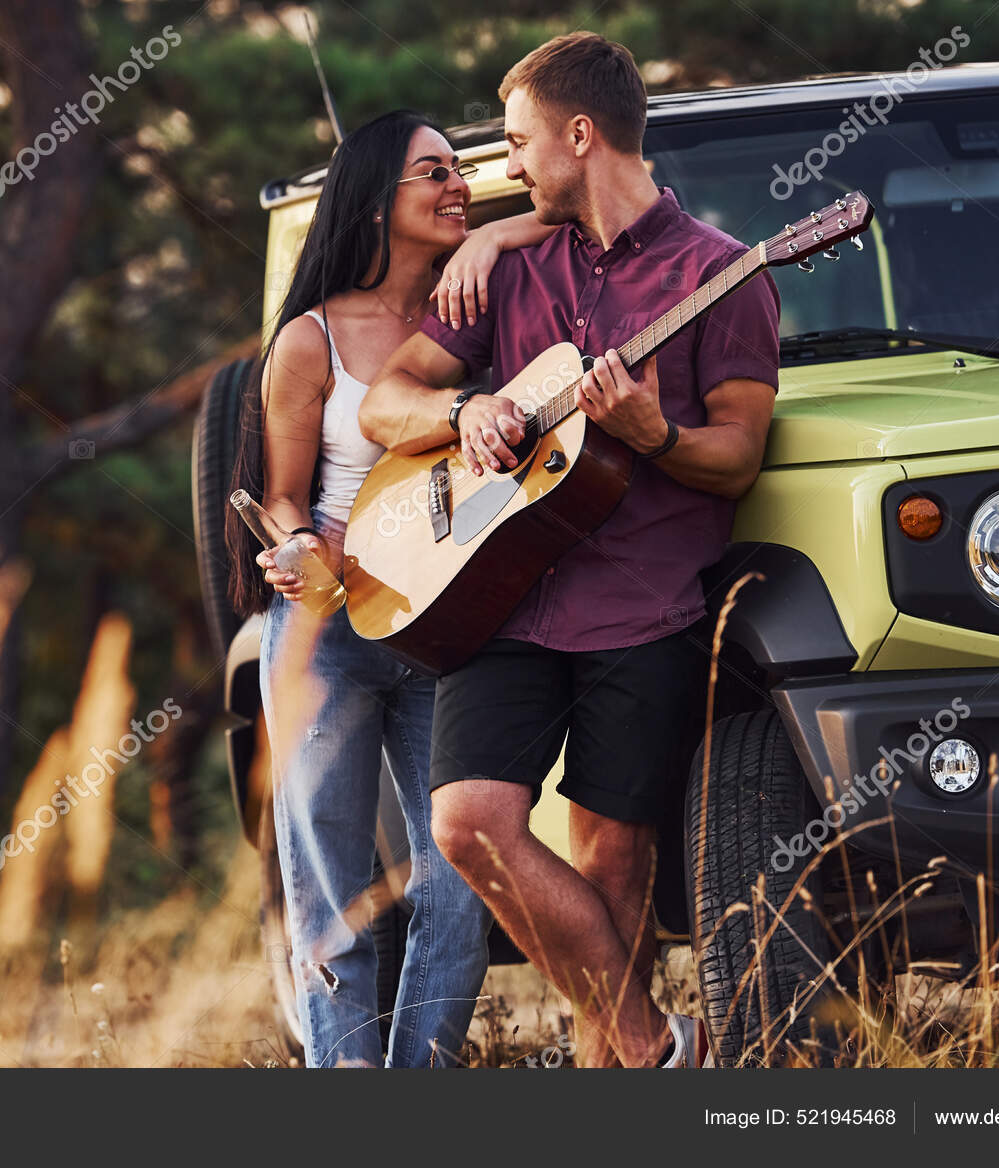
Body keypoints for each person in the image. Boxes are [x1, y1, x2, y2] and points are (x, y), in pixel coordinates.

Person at [359, 34, 782, 1068]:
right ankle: (658, 1051)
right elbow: (381, 403)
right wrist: (464, 412)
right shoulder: (504, 272)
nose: (503, 171)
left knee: (614, 860)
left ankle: (615, 1083)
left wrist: (653, 437)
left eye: (515, 145)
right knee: (466, 822)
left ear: (579, 135)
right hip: (502, 598)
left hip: (645, 604)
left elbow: (736, 458)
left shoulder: (722, 278)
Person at [226, 109, 554, 1067]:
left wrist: (493, 229)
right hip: (326, 630)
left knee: (462, 877)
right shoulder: (309, 341)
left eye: (462, 170)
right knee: (331, 886)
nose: (459, 184)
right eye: (434, 172)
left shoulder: (485, 305)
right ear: (374, 200)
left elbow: (585, 216)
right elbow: (284, 497)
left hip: (447, 629)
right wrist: (295, 549)